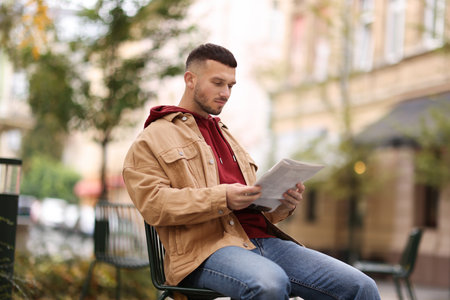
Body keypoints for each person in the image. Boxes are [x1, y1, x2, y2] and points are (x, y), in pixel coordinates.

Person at [123, 43, 380, 300]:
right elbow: (153, 204)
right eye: (218, 83)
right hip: (204, 252)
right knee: (268, 284)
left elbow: (254, 207)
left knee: (361, 287)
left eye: (231, 86)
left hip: (263, 241)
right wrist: (222, 197)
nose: (226, 93)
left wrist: (281, 202)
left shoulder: (227, 136)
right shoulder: (152, 138)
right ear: (190, 79)